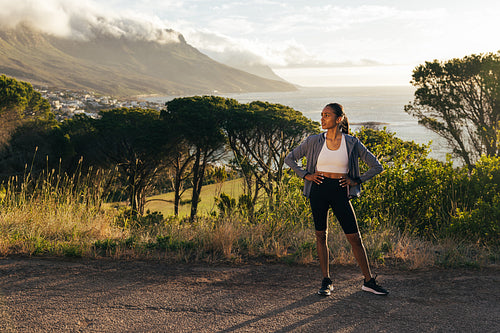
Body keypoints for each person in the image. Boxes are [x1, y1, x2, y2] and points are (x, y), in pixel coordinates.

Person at [285, 102, 388, 296]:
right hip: (318, 189)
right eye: (321, 115)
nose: (322, 118)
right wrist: (306, 175)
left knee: (355, 238)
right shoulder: (313, 140)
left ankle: (368, 281)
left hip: (340, 191)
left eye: (327, 115)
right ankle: (326, 281)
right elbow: (290, 159)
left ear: (338, 119)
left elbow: (377, 166)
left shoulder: (352, 142)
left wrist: (356, 180)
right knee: (321, 235)